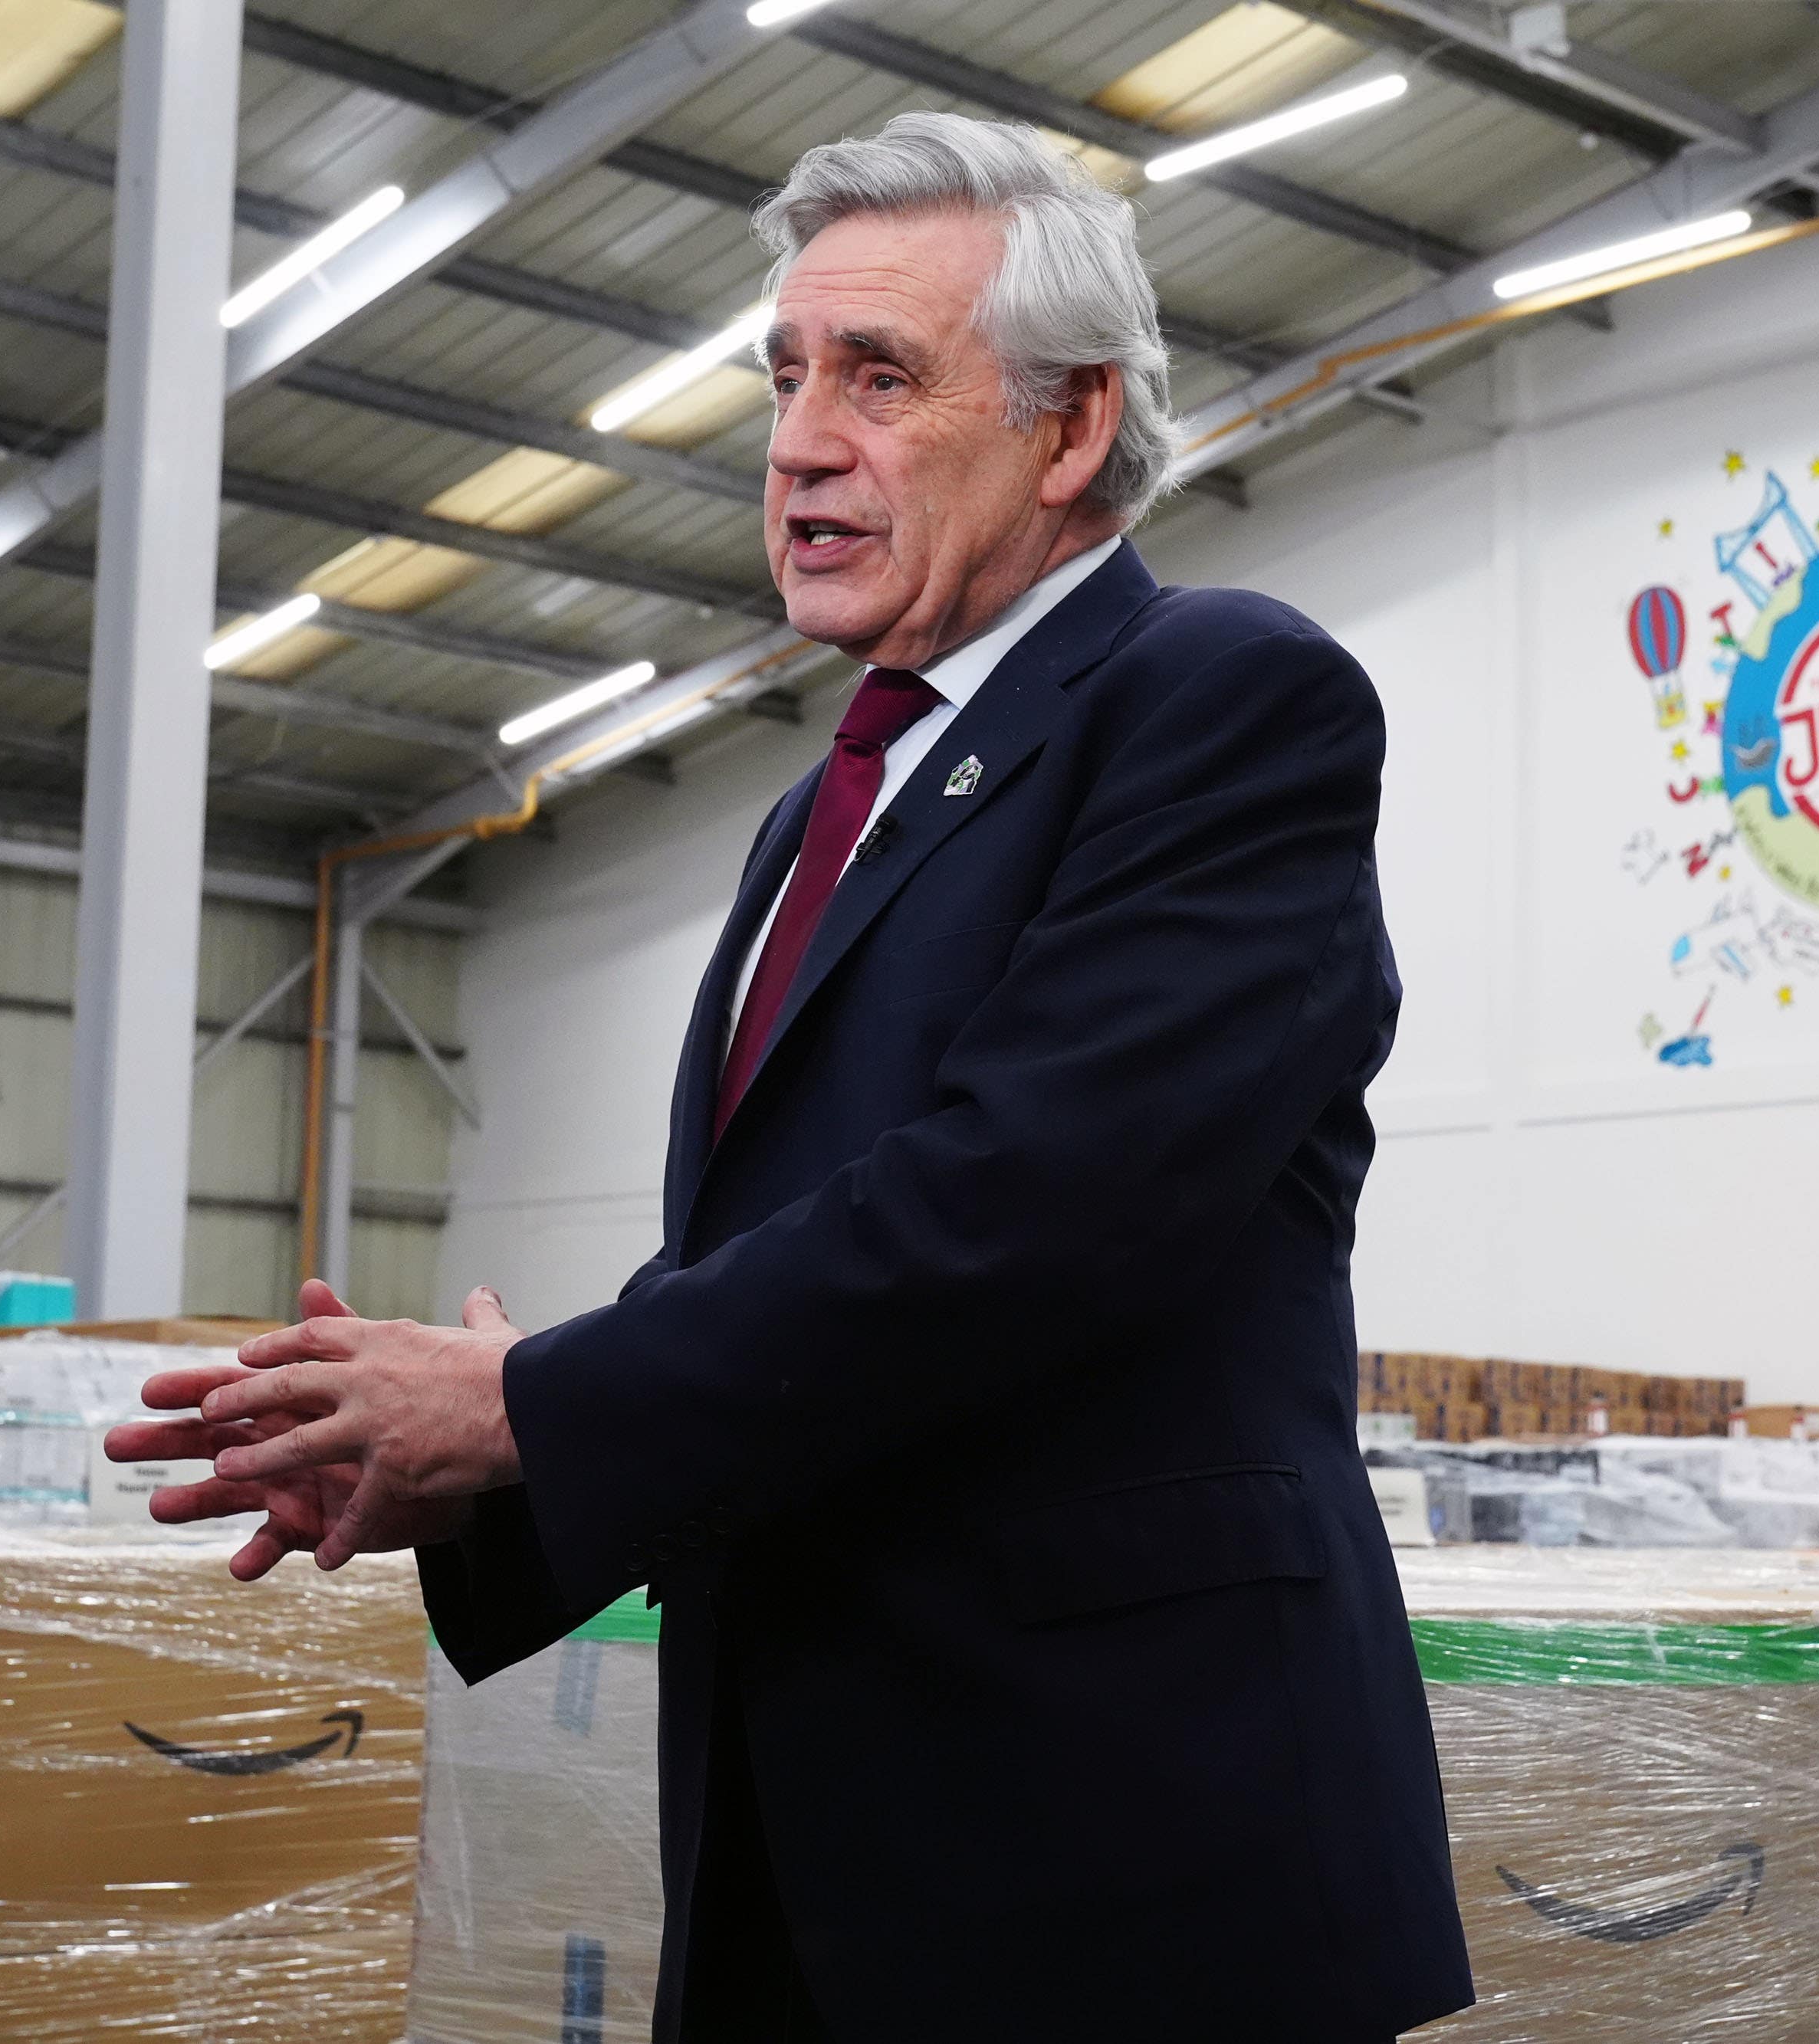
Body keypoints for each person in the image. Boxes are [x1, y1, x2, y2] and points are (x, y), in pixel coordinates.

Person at [108, 111, 1472, 2042]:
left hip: (1119, 1864)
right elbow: (793, 1251)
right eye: (785, 372)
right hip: (815, 1850)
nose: (799, 438)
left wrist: (528, 1407)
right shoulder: (819, 813)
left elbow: (1013, 1212)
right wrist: (478, 1469)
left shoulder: (1221, 699)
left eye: (880, 377)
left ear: (1071, 429)